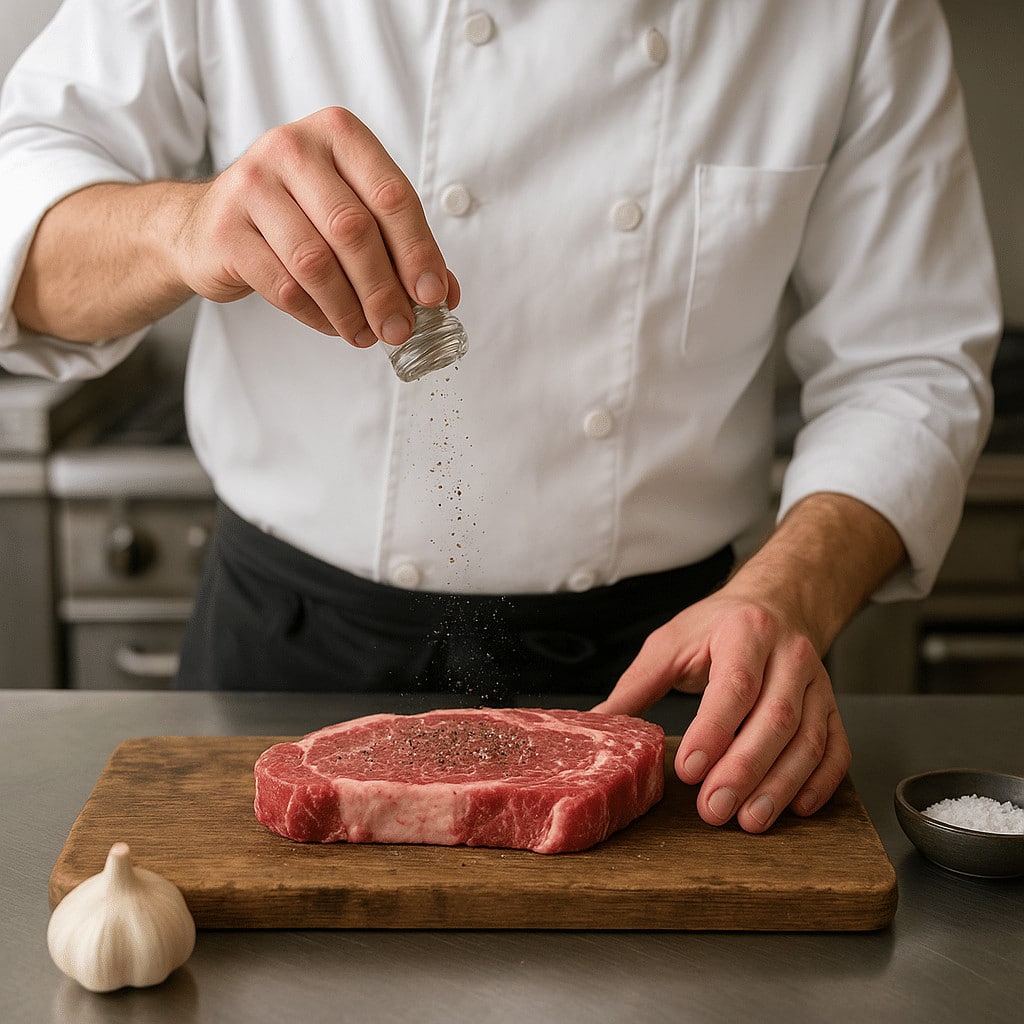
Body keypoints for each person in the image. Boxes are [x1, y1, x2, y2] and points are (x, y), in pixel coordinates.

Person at [0, 1, 1000, 834]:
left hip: (669, 677)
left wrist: (791, 595)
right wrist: (180, 225)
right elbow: (20, 225)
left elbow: (909, 359)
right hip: (285, 660)